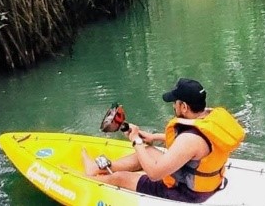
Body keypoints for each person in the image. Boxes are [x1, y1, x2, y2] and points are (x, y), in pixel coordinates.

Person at [82, 78, 245, 203]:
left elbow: (154, 174)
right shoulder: (209, 117)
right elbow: (192, 149)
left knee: (121, 177)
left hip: (187, 193)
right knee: (147, 150)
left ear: (184, 107)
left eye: (175, 103)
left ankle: (90, 179)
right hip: (208, 183)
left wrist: (136, 141)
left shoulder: (190, 139)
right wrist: (154, 138)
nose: (174, 106)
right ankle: (98, 167)